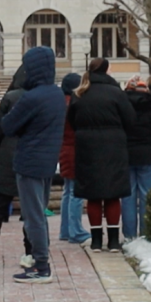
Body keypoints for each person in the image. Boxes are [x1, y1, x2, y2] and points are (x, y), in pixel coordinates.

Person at [2, 46, 67, 284]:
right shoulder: (56, 94)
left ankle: (41, 267)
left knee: (33, 217)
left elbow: (7, 126)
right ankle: (41, 262)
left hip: (29, 161)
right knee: (39, 214)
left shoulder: (32, 96)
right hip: (48, 162)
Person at [68, 58, 136, 252]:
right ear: (107, 71)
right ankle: (114, 241)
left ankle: (96, 240)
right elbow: (130, 120)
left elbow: (72, 121)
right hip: (114, 146)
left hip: (87, 147)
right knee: (113, 195)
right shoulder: (116, 92)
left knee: (93, 195)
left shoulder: (80, 93)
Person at [0, 65, 31, 269]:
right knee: (30, 207)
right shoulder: (35, 97)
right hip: (29, 154)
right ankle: (29, 252)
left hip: (7, 155)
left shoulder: (9, 97)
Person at [121, 75, 151, 240]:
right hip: (149, 154)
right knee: (147, 195)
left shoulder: (123, 104)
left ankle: (129, 236)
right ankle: (146, 233)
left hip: (127, 154)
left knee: (128, 197)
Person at [57, 73, 90, 246]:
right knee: (75, 192)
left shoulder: (60, 103)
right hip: (74, 150)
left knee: (67, 191)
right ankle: (75, 231)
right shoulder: (74, 105)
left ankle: (65, 230)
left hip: (64, 150)